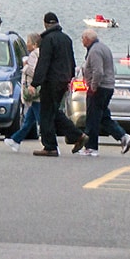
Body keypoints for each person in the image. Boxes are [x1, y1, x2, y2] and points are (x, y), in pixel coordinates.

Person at [29, 11, 85, 157]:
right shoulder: (66, 39)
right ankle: (77, 136)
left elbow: (44, 63)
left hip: (51, 82)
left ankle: (50, 146)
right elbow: (71, 61)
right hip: (63, 81)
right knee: (54, 111)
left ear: (45, 23)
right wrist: (70, 78)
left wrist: (34, 84)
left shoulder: (47, 39)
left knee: (46, 113)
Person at [79, 29, 130, 156]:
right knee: (103, 116)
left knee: (92, 117)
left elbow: (98, 71)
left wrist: (93, 86)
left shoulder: (95, 51)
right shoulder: (103, 47)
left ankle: (91, 147)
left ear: (87, 39)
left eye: (82, 38)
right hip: (107, 87)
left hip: (100, 88)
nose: (82, 41)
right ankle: (123, 136)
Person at [4, 31, 42, 151]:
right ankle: (15, 140)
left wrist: (26, 66)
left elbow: (35, 70)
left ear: (35, 44)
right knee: (29, 119)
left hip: (33, 92)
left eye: (29, 42)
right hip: (34, 93)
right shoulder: (38, 53)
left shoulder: (34, 55)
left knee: (40, 119)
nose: (27, 44)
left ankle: (50, 142)